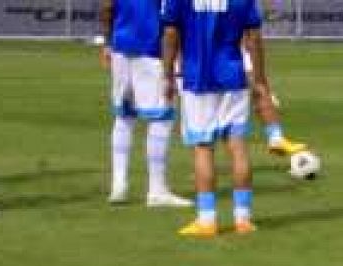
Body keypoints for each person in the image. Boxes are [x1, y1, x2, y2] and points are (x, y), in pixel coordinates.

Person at [160, 0, 265, 236]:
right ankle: (243, 219)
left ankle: (207, 220)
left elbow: (170, 33)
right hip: (233, 76)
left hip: (198, 79)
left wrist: (167, 75)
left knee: (203, 148)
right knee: (237, 146)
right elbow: (254, 37)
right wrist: (260, 80)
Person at [102, 0, 188, 205]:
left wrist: (108, 42)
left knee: (124, 116)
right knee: (161, 117)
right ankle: (157, 190)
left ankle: (118, 184)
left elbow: (107, 6)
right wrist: (173, 65)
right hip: (151, 49)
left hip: (120, 46)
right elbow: (172, 18)